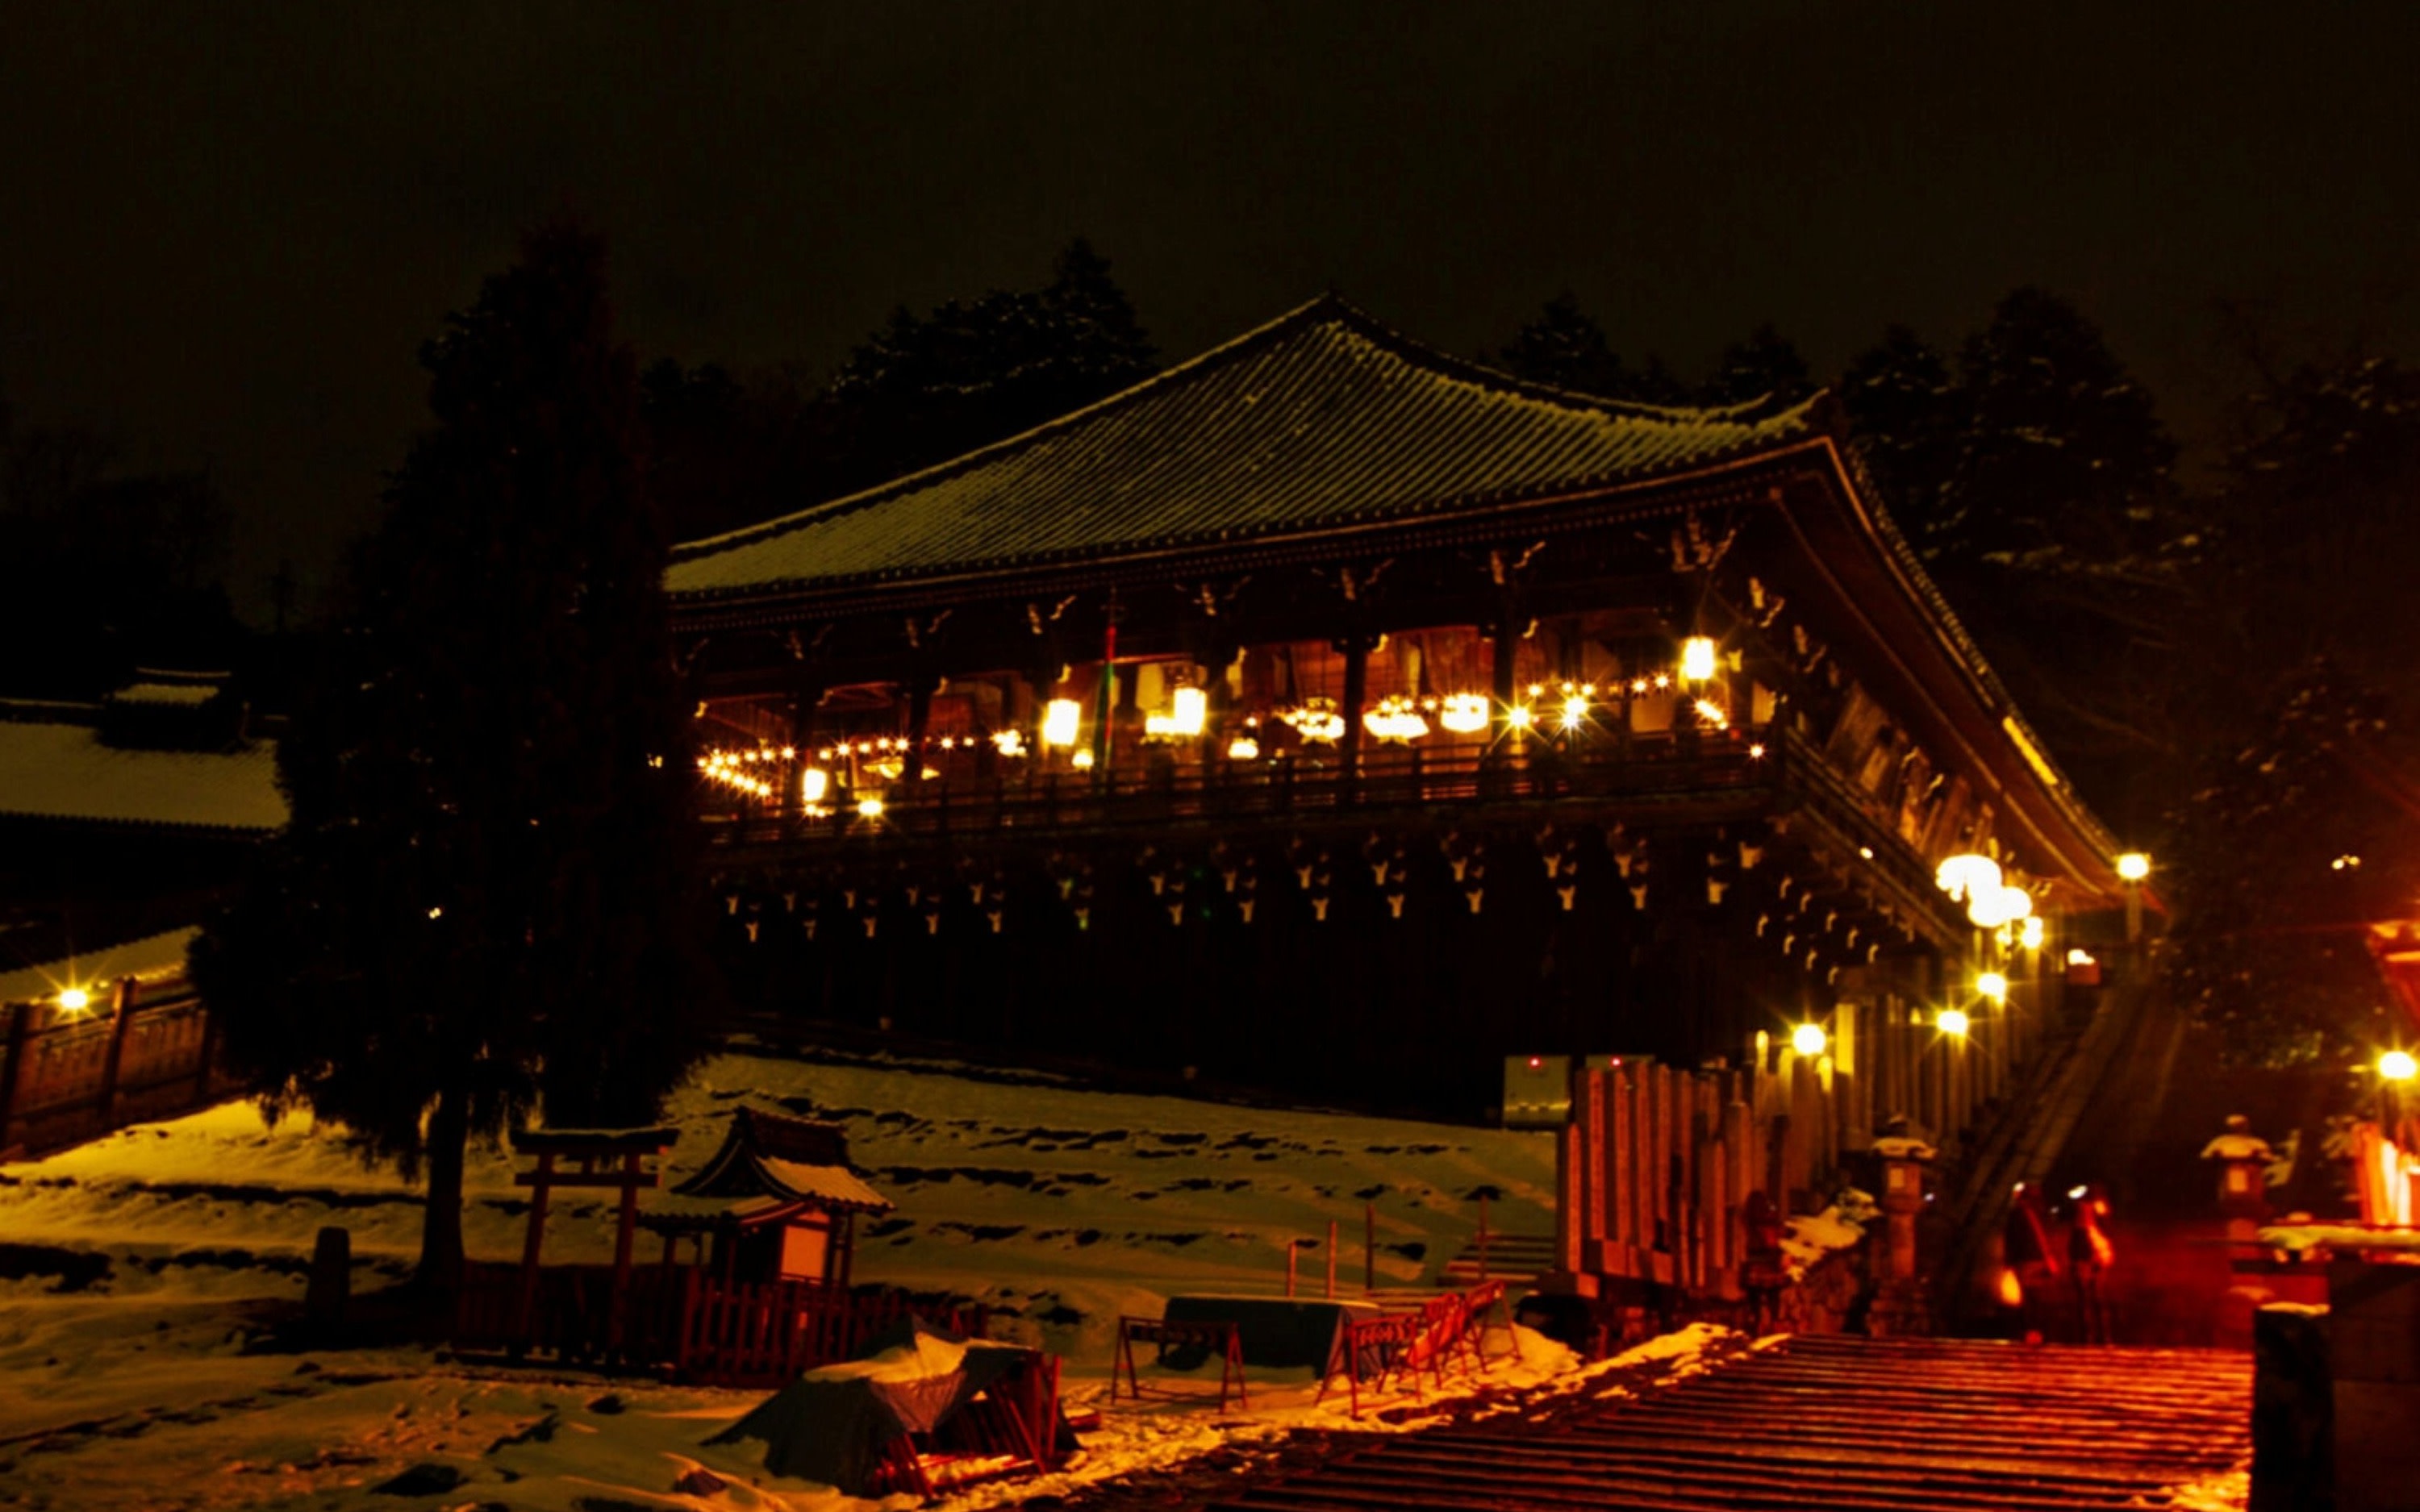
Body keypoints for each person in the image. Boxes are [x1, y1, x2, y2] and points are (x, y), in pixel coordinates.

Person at [2065, 1184, 2116, 1343]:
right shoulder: (2086, 1219)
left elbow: (2104, 1234)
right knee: (2089, 1300)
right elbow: (2078, 1242)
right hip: (2087, 1259)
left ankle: (2098, 1336)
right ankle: (2092, 1336)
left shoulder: (2096, 1215)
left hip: (2094, 1258)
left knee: (2094, 1299)